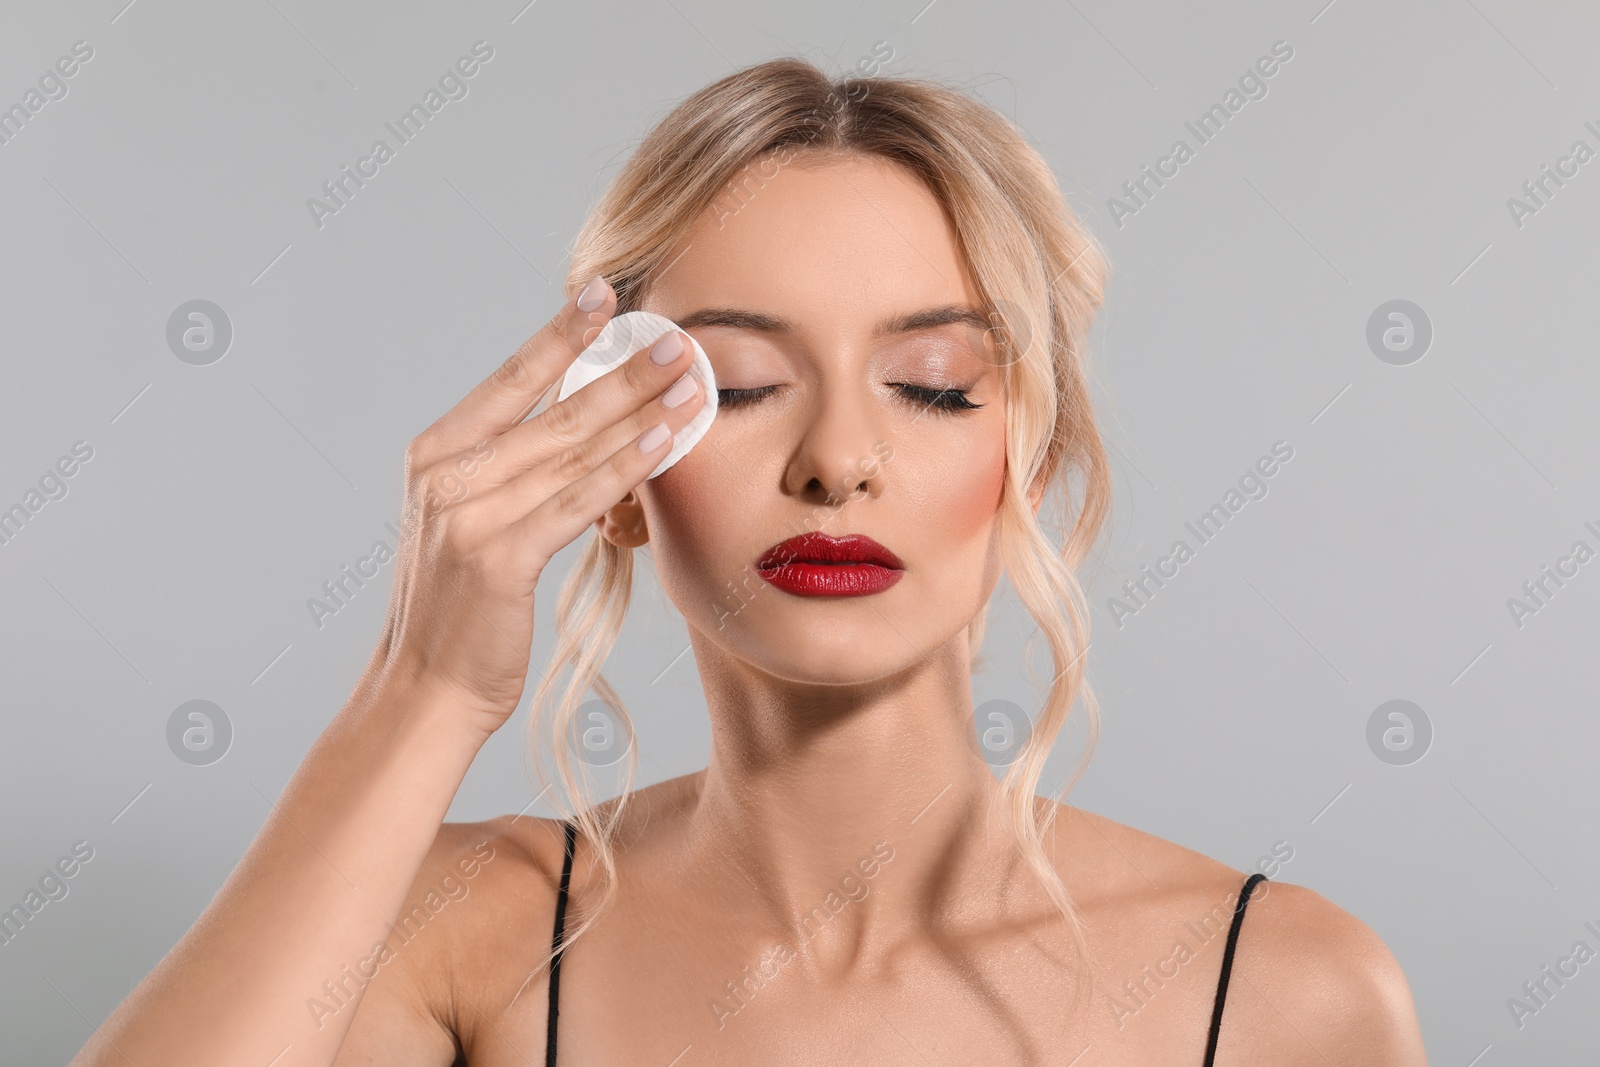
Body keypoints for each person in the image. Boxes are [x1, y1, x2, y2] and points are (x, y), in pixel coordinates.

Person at [70, 56, 1428, 1066]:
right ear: (612, 472)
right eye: (742, 382)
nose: (839, 459)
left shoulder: (1281, 989)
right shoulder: (459, 937)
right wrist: (423, 690)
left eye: (935, 385)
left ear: (1037, 458)